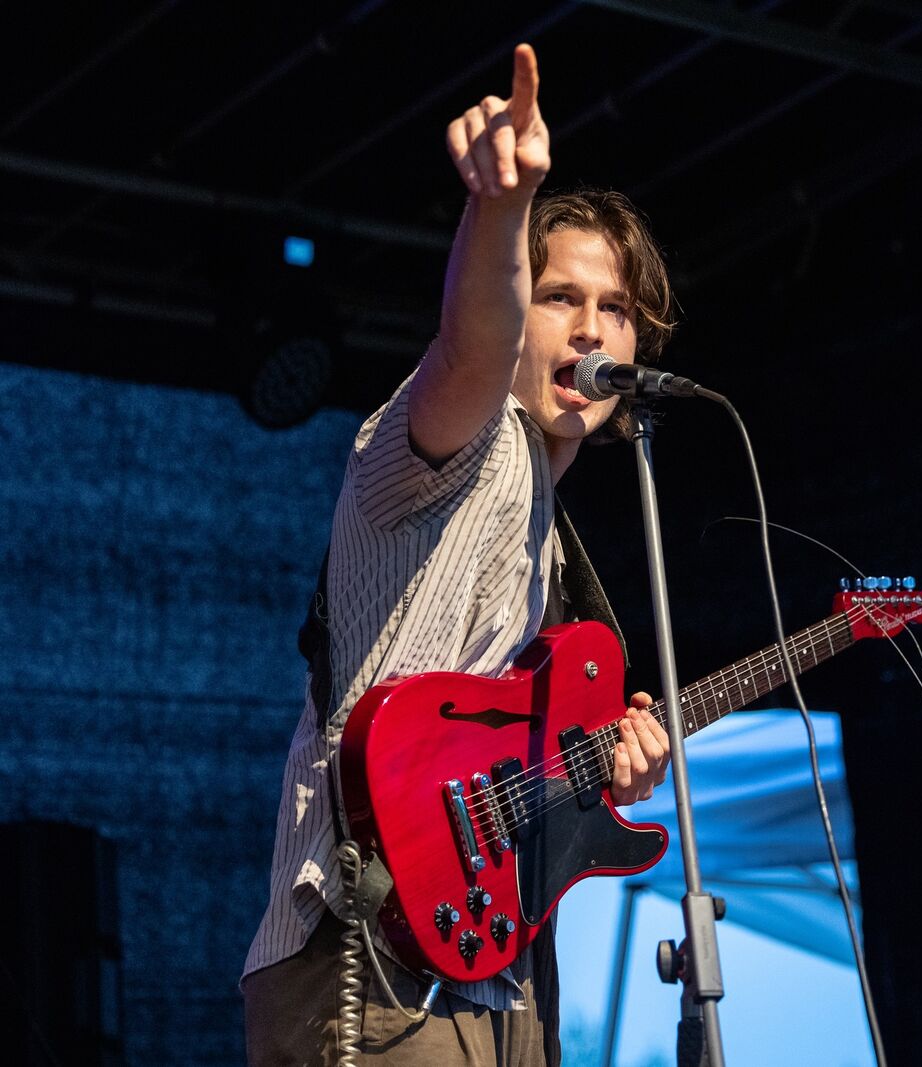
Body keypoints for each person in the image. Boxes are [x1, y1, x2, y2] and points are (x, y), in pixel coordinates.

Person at [241, 43, 674, 1065]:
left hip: (493, 964)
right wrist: (502, 209)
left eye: (614, 308)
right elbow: (473, 346)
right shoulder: (456, 440)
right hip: (368, 953)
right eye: (560, 297)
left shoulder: (553, 545)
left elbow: (498, 767)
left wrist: (603, 768)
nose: (590, 329)